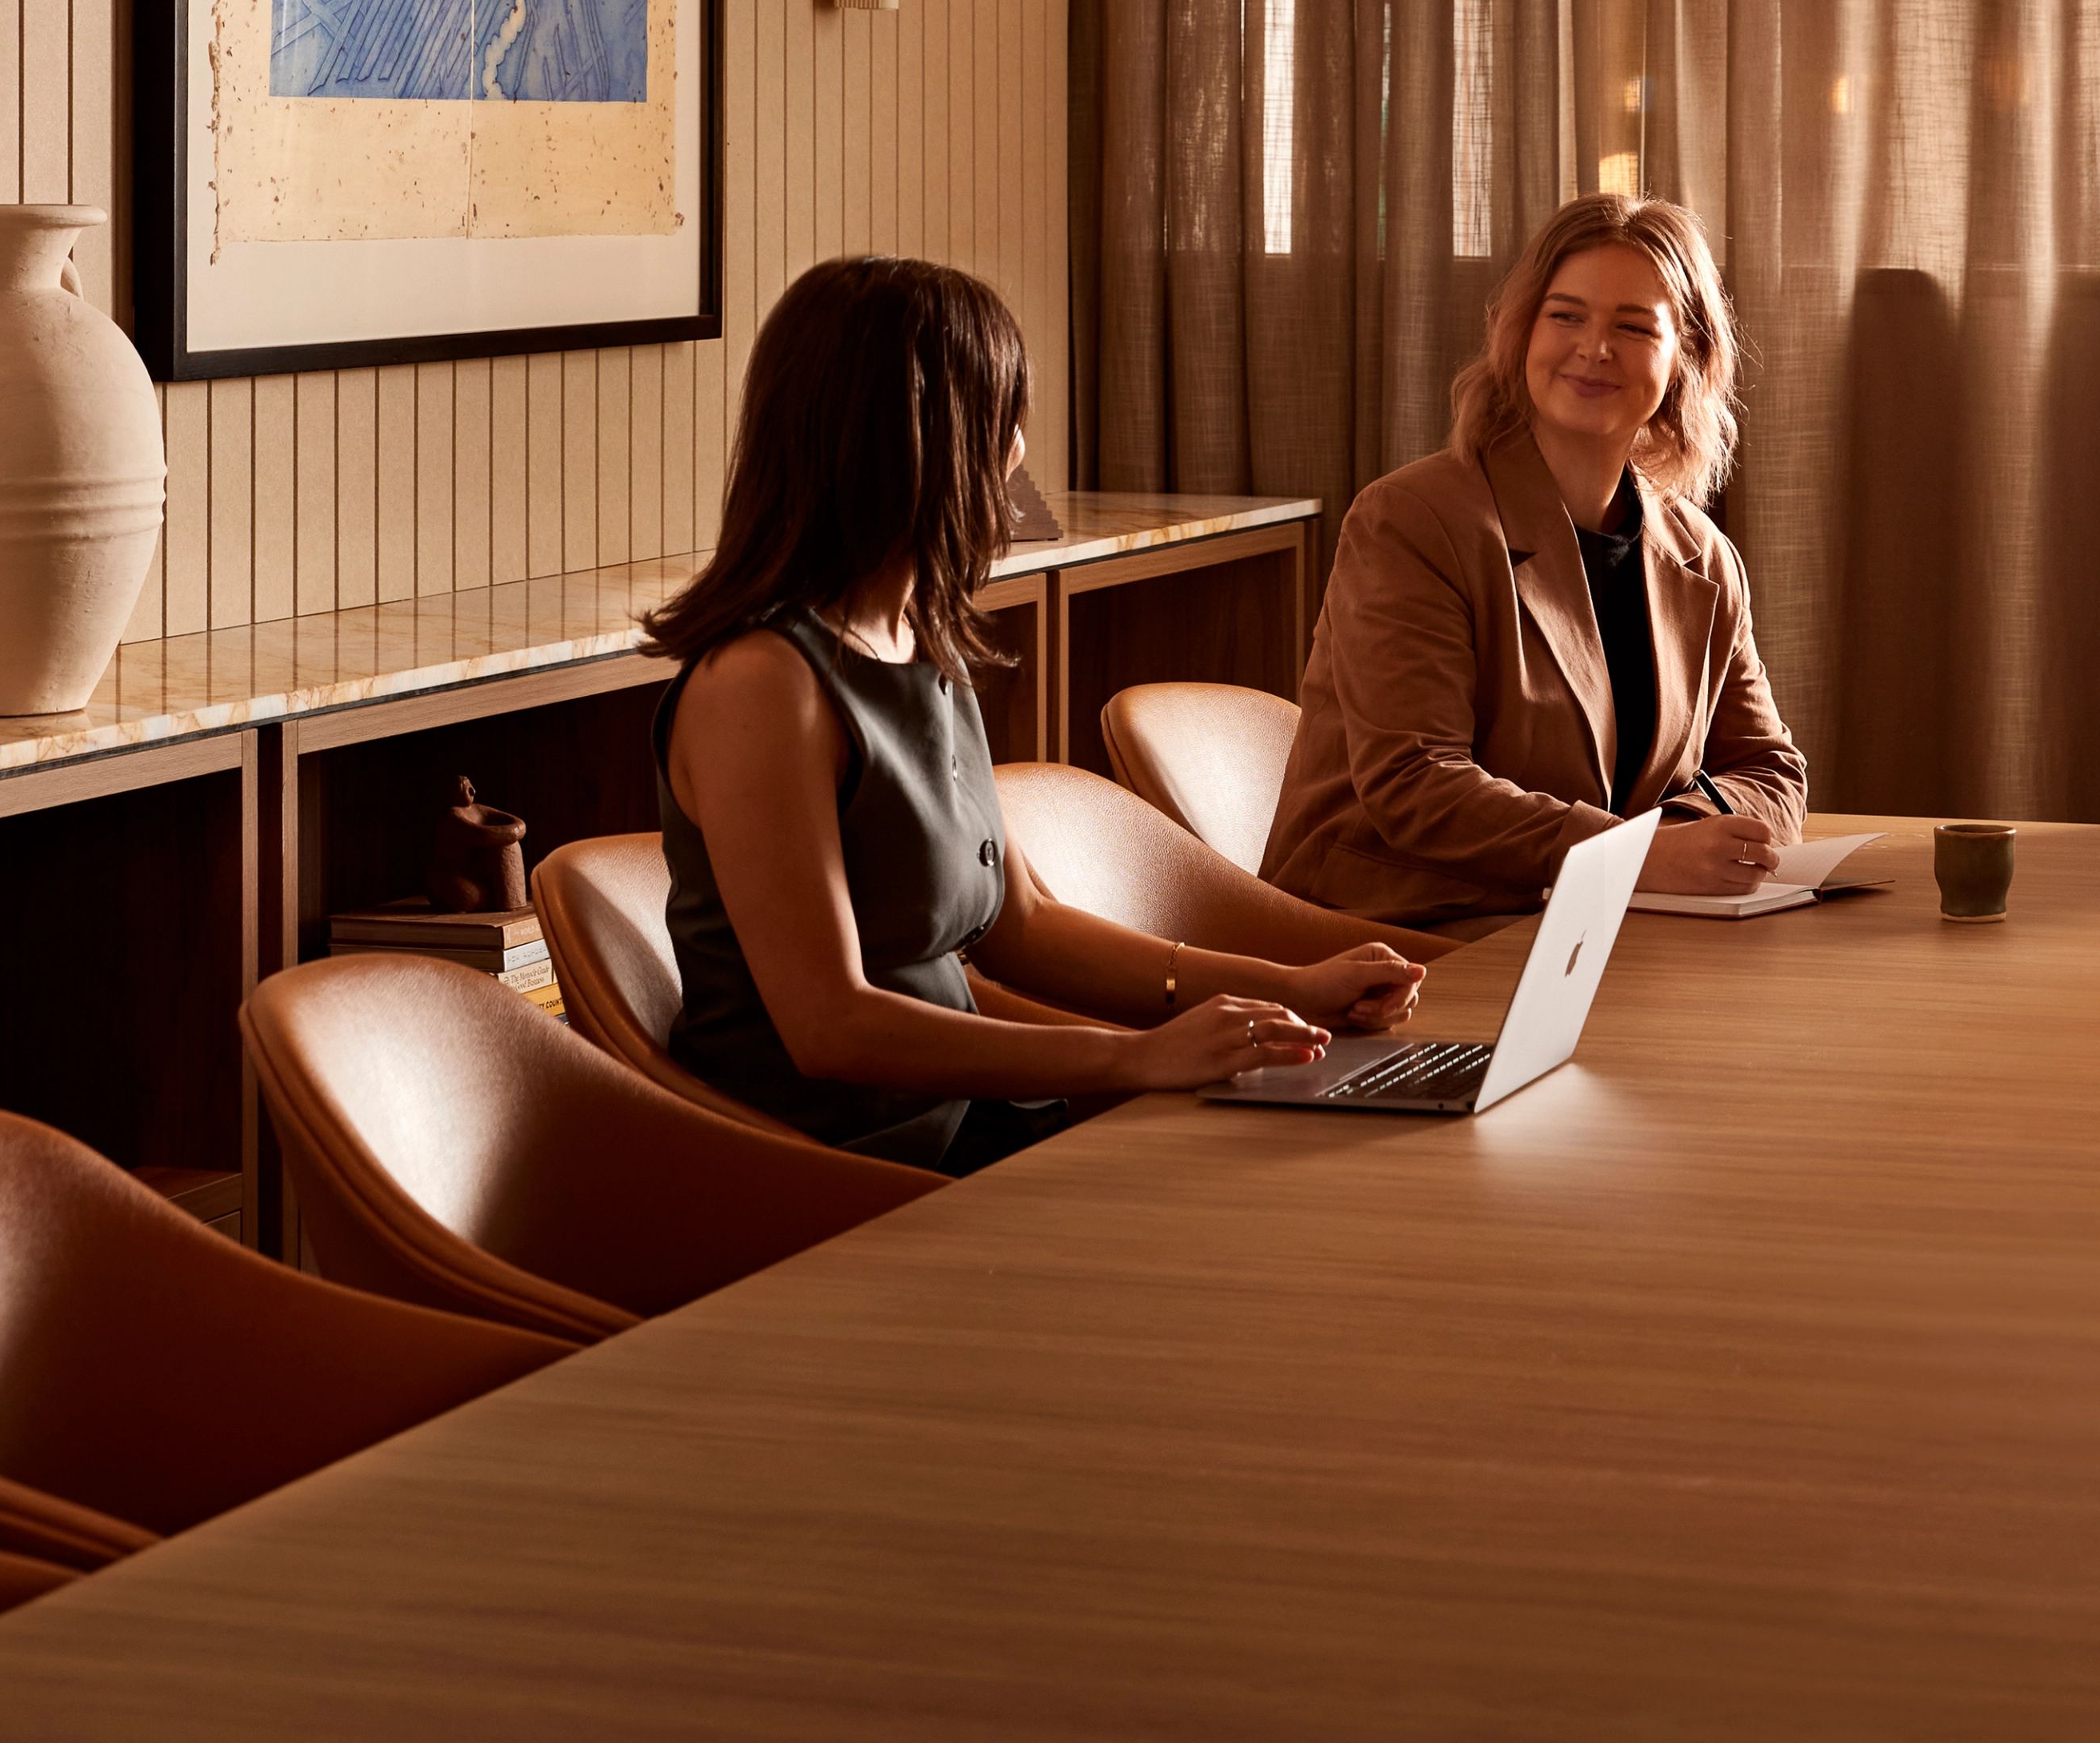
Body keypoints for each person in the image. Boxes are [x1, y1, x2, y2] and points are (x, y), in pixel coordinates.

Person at [646, 258, 1427, 1176]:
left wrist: (1291, 990)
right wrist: (1134, 1060)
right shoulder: (762, 684)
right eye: (1002, 419)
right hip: (848, 1165)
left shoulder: (916, 637)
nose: (1017, 451)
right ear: (919, 438)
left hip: (969, 1121)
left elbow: (1022, 927)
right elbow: (831, 1027)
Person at [1262, 190, 1810, 926]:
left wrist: (1671, 843)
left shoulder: (1703, 557)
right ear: (1520, 332)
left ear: (1686, 357)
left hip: (1589, 927)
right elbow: (1415, 782)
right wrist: (1633, 858)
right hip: (1397, 936)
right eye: (1566, 316)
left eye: (1633, 326)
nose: (1594, 348)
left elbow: (1769, 770)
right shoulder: (1413, 520)